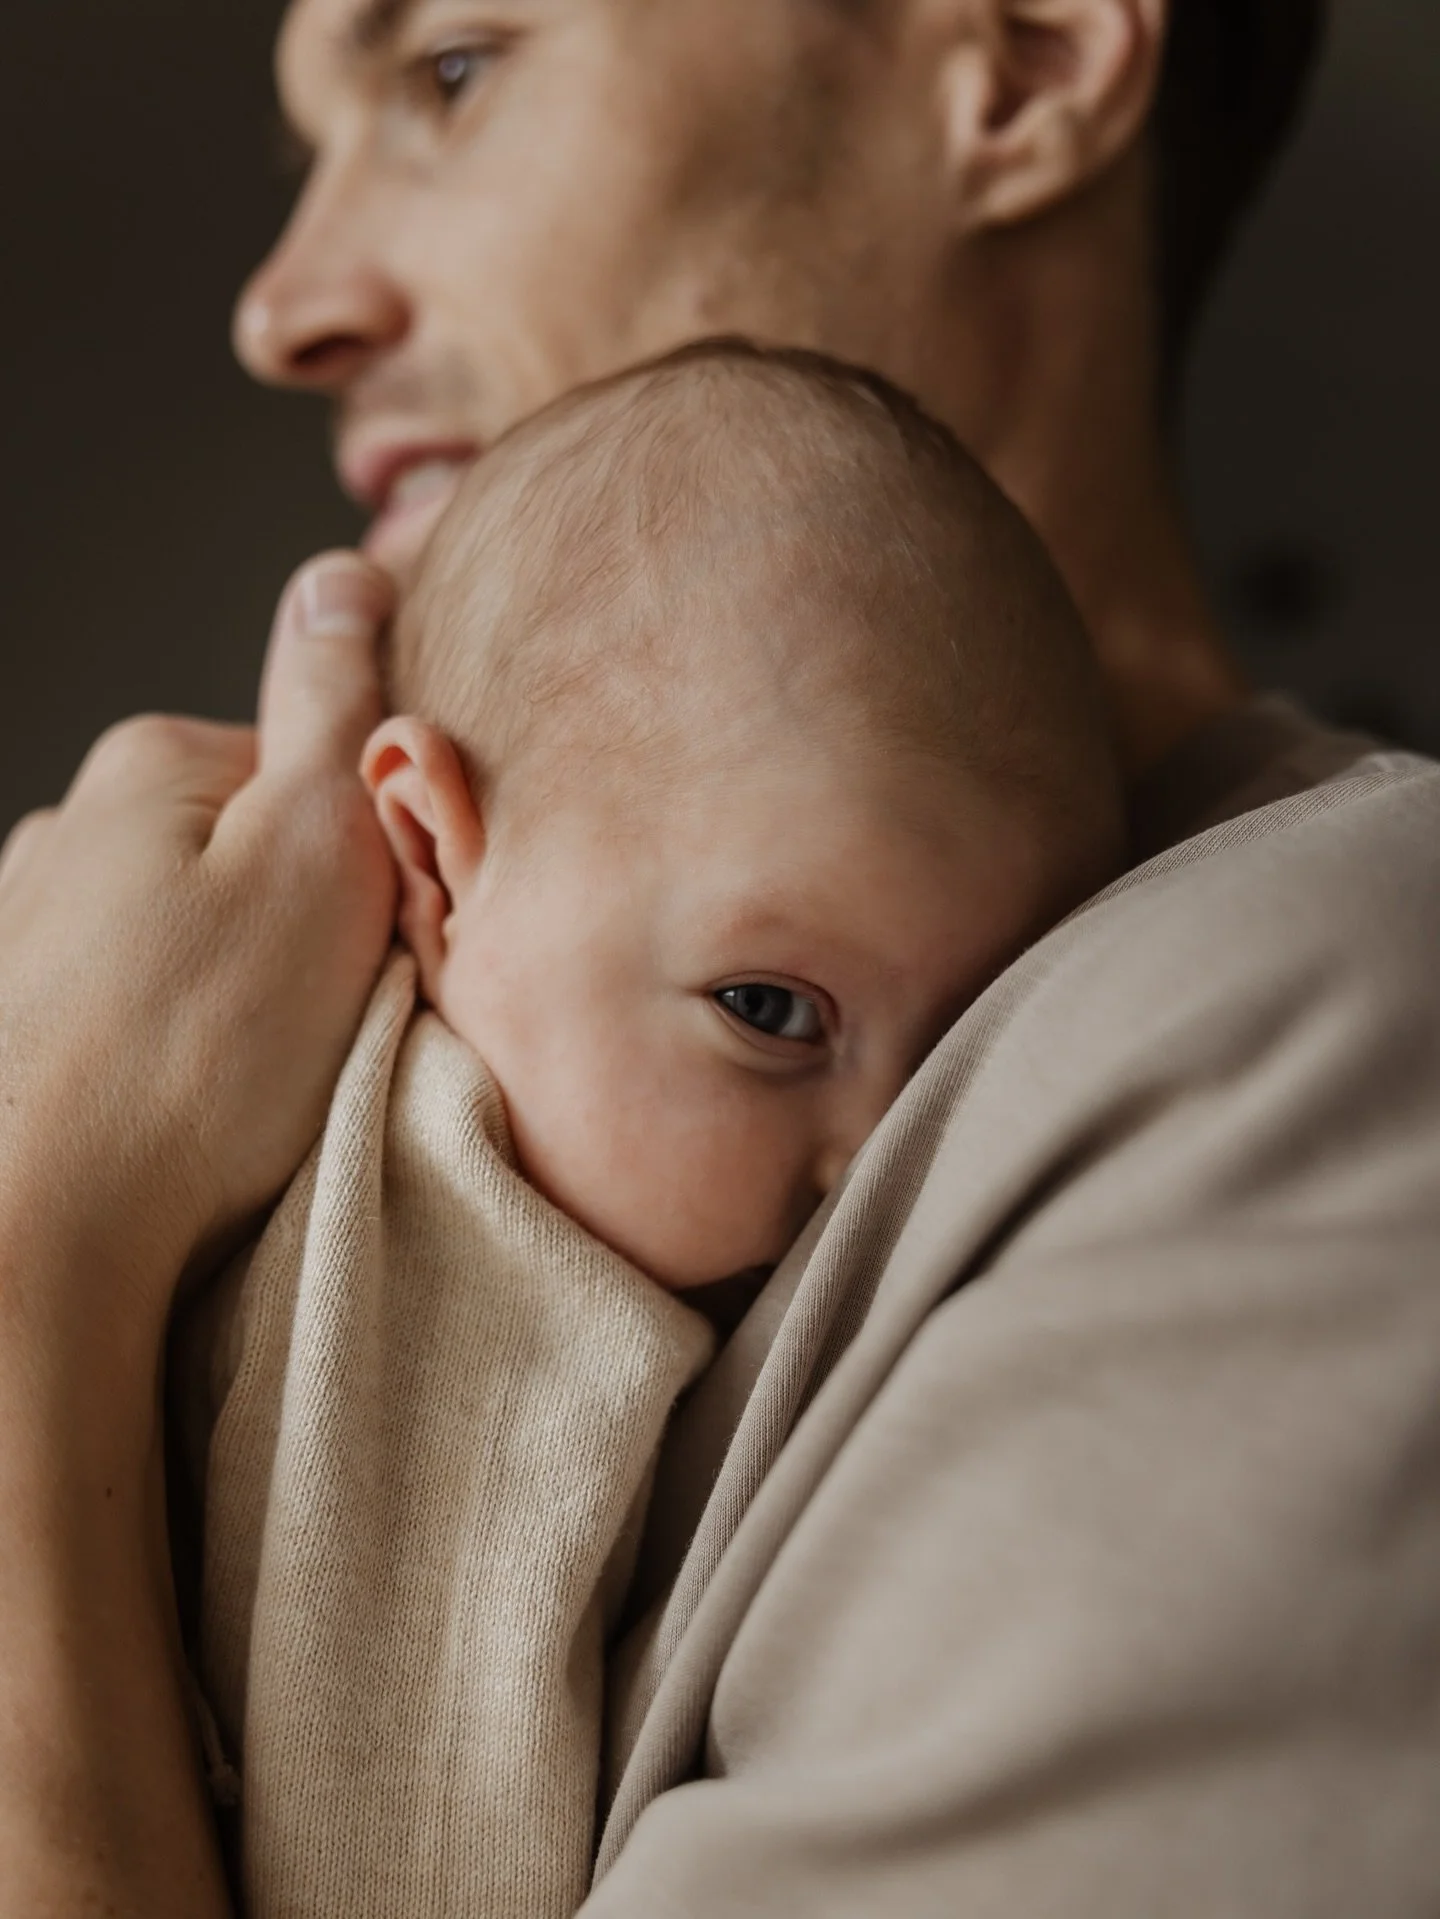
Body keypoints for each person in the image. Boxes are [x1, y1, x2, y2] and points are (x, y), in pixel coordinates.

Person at [2, 0, 1438, 1913]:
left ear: (1021, 56)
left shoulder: (1331, 1012)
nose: (283, 309)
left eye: (450, 69)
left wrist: (35, 1238)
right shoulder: (313, 1022)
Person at [179, 339, 1123, 1917]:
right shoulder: (485, 1283)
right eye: (767, 1012)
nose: (873, 1161)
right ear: (431, 854)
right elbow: (399, 1837)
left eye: (956, 1051)